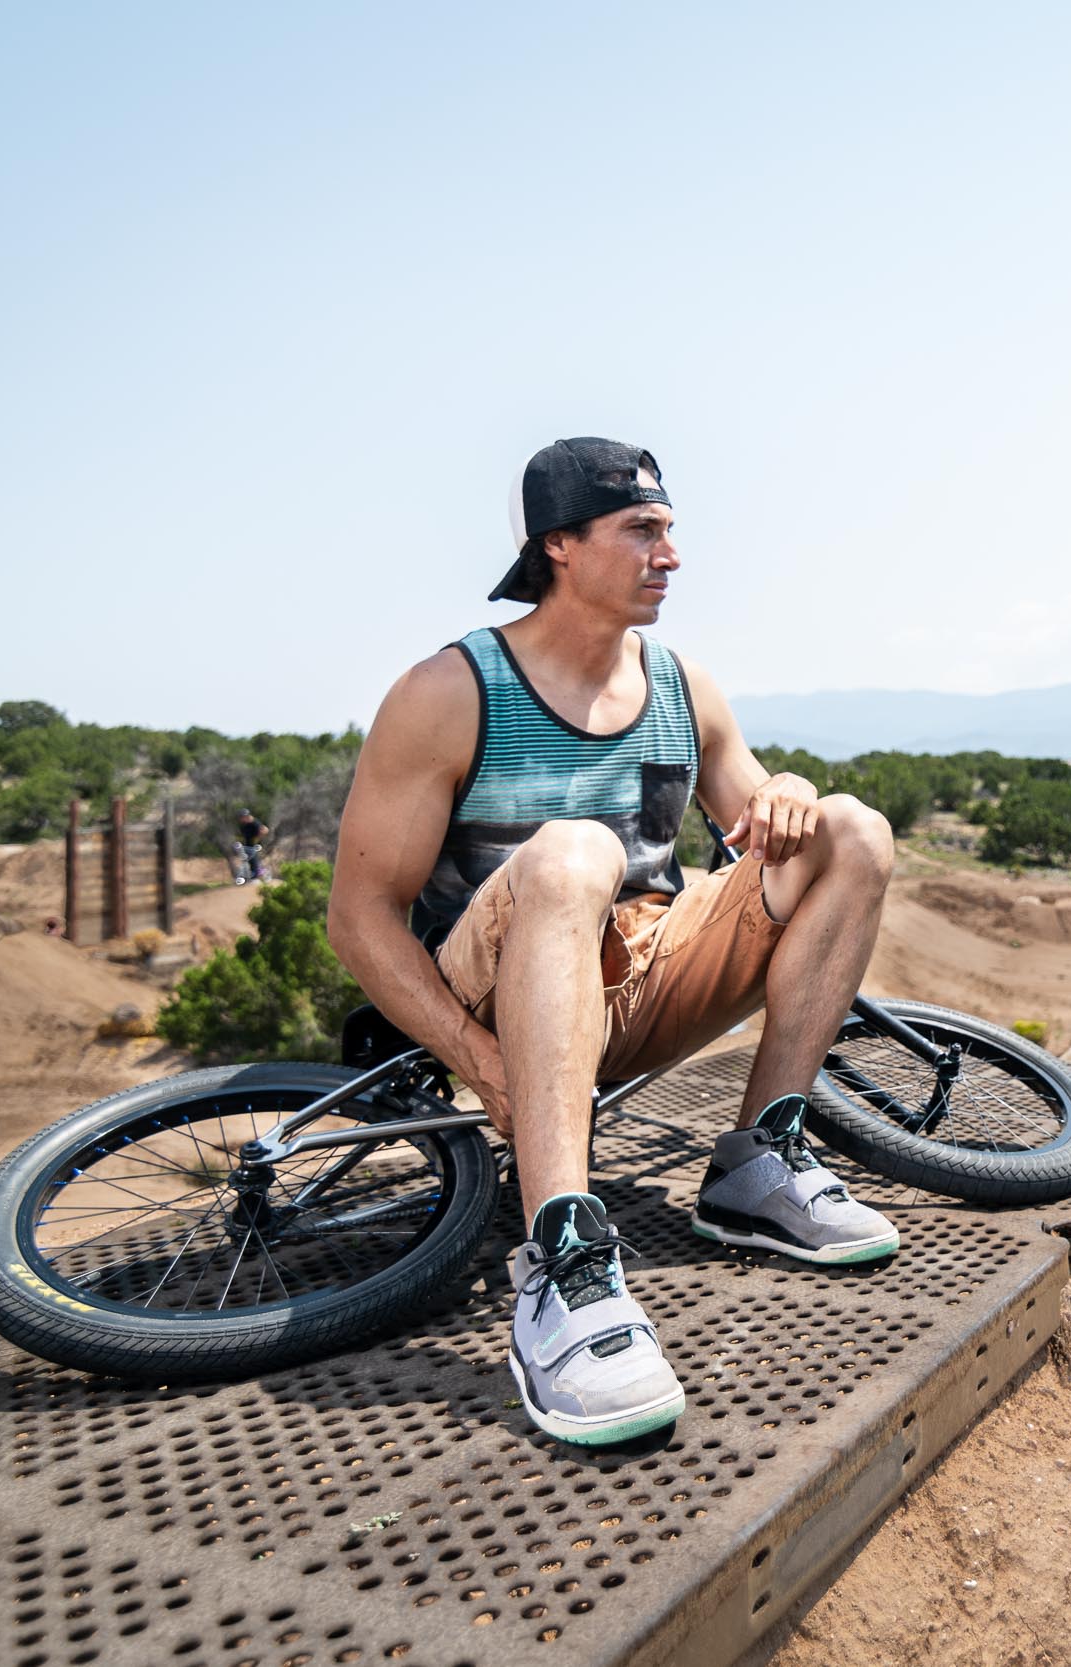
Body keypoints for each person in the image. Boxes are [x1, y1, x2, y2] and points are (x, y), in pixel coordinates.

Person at [326, 437, 898, 1447]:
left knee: (853, 827)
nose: (669, 554)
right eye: (641, 530)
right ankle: (563, 1265)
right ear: (558, 545)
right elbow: (360, 916)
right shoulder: (451, 690)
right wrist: (482, 1064)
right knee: (573, 854)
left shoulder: (683, 685)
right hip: (497, 997)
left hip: (643, 981)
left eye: (670, 530)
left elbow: (760, 821)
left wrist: (794, 796)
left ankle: (759, 1163)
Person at [233, 809, 270, 885]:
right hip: (248, 845)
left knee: (254, 860)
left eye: (242, 817)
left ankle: (256, 878)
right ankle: (257, 875)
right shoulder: (245, 825)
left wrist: (258, 838)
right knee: (249, 861)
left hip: (254, 846)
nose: (241, 819)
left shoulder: (255, 823)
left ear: (246, 816)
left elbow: (265, 829)